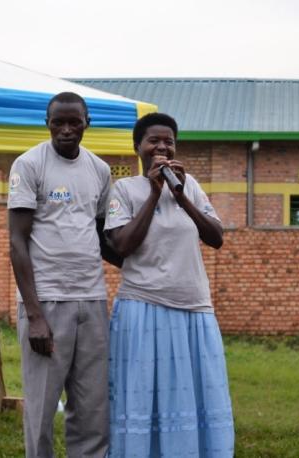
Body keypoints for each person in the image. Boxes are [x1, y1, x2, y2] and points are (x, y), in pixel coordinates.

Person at [105, 113, 234, 457]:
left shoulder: (189, 185)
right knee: (144, 395)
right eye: (154, 141)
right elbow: (122, 245)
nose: (162, 147)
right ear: (138, 148)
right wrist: (153, 193)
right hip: (142, 308)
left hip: (194, 309)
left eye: (169, 142)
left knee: (195, 396)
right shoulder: (124, 190)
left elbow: (216, 237)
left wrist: (181, 196)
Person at [8, 92, 120, 457]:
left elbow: (104, 239)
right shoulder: (29, 165)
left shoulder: (100, 171)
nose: (67, 130)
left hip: (91, 300)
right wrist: (35, 314)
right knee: (40, 408)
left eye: (75, 122)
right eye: (59, 122)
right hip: (47, 303)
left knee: (92, 408)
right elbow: (16, 242)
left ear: (88, 122)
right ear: (47, 123)